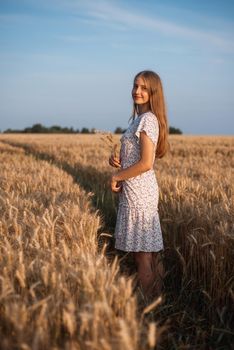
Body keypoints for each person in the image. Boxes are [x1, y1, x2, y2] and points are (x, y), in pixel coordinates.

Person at [109, 70, 169, 299]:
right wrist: (117, 161)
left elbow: (146, 163)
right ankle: (158, 301)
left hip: (140, 192)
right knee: (149, 250)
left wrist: (117, 176)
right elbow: (137, 158)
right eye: (135, 86)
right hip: (137, 191)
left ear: (153, 92)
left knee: (143, 253)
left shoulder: (147, 120)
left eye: (144, 88)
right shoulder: (139, 119)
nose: (137, 91)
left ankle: (147, 306)